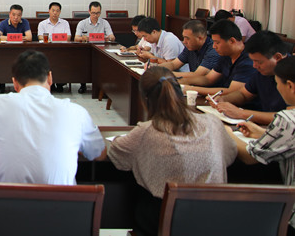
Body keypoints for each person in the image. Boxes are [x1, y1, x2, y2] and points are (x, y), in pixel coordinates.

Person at [108, 66, 236, 236]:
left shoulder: (146, 131)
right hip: (212, 216)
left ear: (145, 100)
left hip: (164, 219)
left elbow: (116, 155)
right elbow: (230, 155)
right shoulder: (212, 122)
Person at [0, 50, 105, 184]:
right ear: (50, 78)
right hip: (61, 198)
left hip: (4, 198)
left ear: (15, 83)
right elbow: (99, 154)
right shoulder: (76, 112)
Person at [229, 57, 295, 236]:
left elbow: (251, 157)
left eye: (277, 84)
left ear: (290, 85)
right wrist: (262, 132)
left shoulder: (288, 119)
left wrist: (225, 131)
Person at [214, 31, 289, 125]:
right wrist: (224, 99)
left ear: (277, 57)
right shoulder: (262, 72)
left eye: (259, 62)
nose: (254, 66)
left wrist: (241, 113)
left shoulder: (291, 75)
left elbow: (288, 118)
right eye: (253, 61)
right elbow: (244, 94)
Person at [179, 20, 256, 96]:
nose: (214, 46)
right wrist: (183, 81)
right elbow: (208, 79)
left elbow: (233, 91)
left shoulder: (248, 61)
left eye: (217, 42)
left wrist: (191, 89)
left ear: (232, 41)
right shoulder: (226, 55)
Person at [0, 4, 33, 93]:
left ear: (21, 16)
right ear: (9, 14)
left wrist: (7, 37)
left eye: (18, 15)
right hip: (6, 51)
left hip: (21, 51)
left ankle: (21, 84)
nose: (16, 17)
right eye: (13, 14)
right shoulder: (3, 23)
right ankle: (2, 83)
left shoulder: (25, 22)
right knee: (3, 62)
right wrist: (16, 37)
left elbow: (29, 37)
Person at [37, 2, 70, 92]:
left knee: (62, 60)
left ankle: (60, 83)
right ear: (49, 11)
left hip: (62, 50)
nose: (55, 13)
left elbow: (68, 37)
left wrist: (51, 38)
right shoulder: (42, 24)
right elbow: (40, 37)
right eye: (53, 10)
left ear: (60, 12)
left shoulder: (65, 23)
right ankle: (49, 83)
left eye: (57, 11)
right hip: (47, 50)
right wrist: (55, 38)